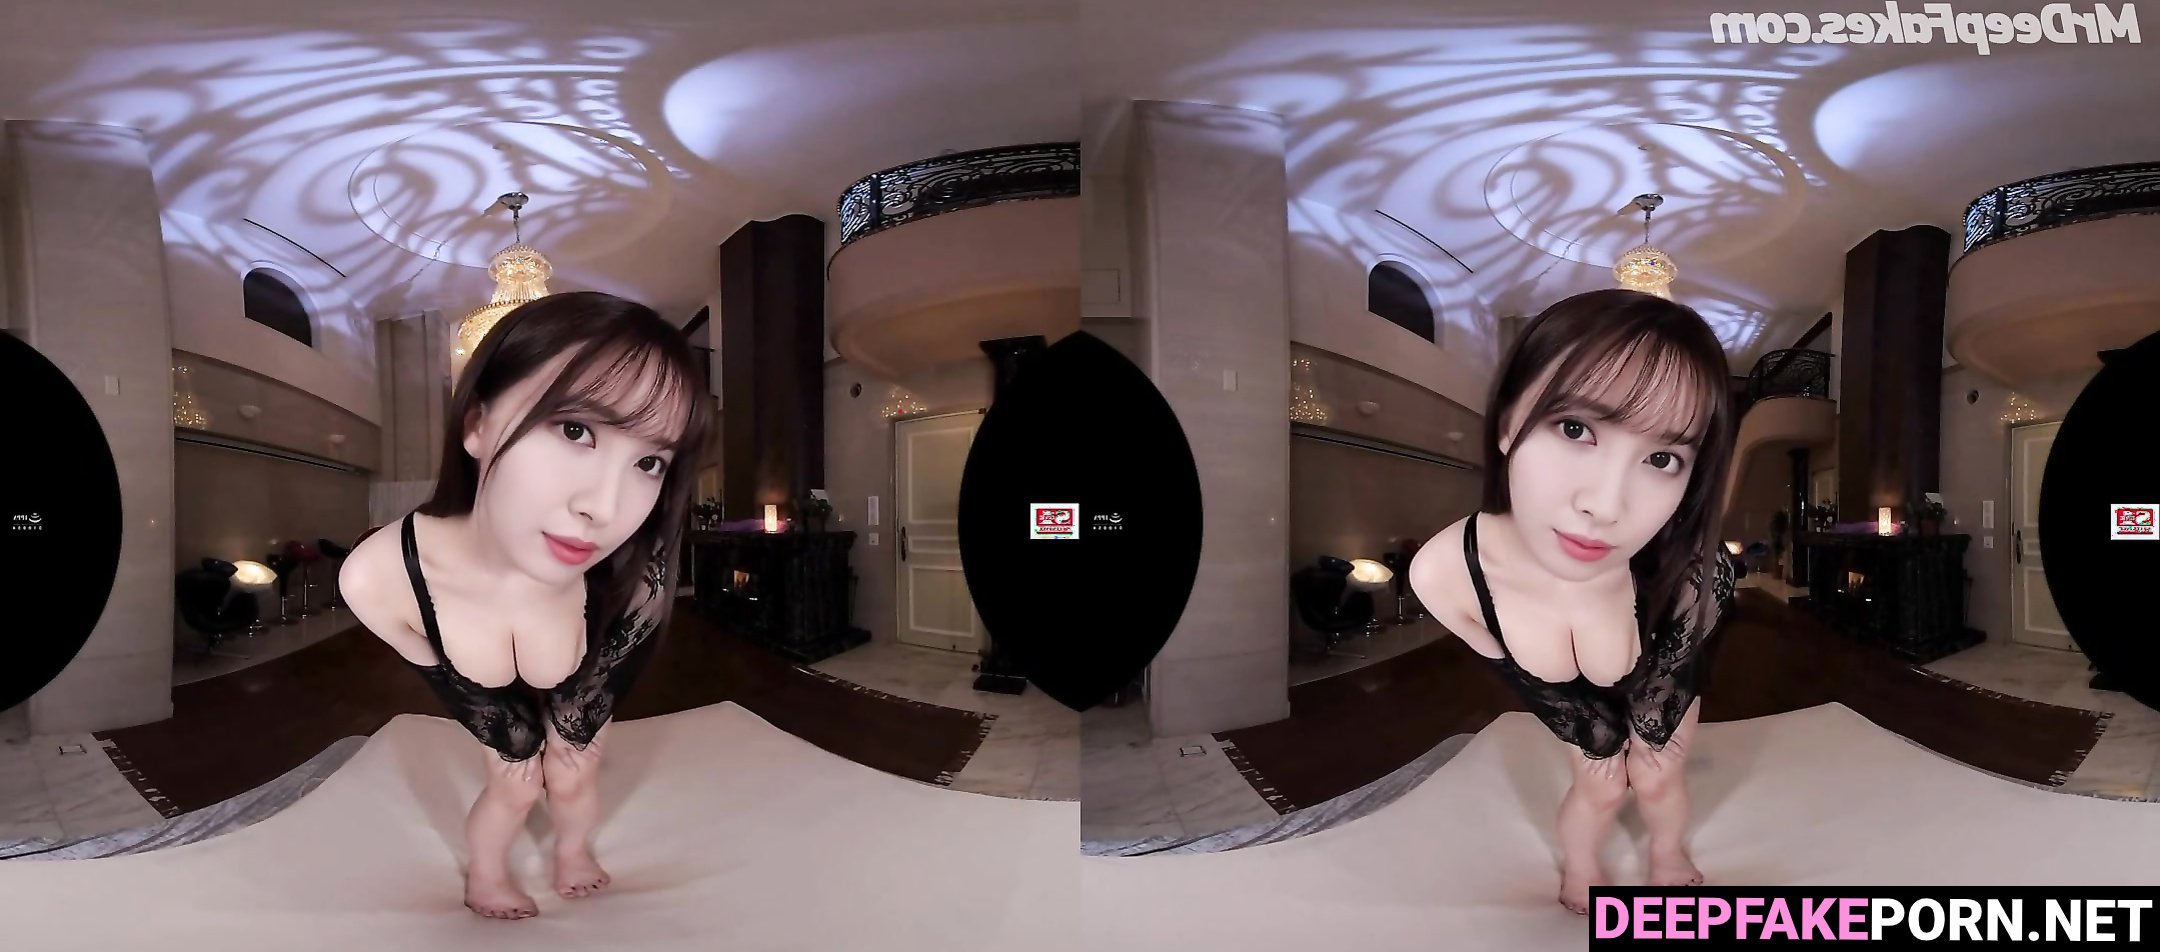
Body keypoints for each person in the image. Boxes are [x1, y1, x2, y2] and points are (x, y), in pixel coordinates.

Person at [340, 291, 714, 919]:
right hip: (471, 670)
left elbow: (611, 671)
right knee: (516, 782)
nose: (604, 508)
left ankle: (572, 849)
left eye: (650, 462)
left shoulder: (635, 577)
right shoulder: (379, 580)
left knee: (572, 769)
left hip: (587, 652)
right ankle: (485, 873)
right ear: (477, 425)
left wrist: (569, 739)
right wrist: (517, 746)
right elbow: (450, 683)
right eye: (575, 430)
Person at [1406, 288, 1737, 915]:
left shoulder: (1691, 571)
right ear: (1508, 424)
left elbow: (1680, 660)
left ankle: (1666, 854)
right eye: (1575, 428)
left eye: (1662, 458)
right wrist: (1598, 743)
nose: (1606, 507)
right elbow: (1522, 678)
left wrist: (1647, 736)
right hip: (1566, 688)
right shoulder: (1447, 576)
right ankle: (1581, 866)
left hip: (1662, 646)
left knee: (1657, 775)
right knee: (1600, 785)